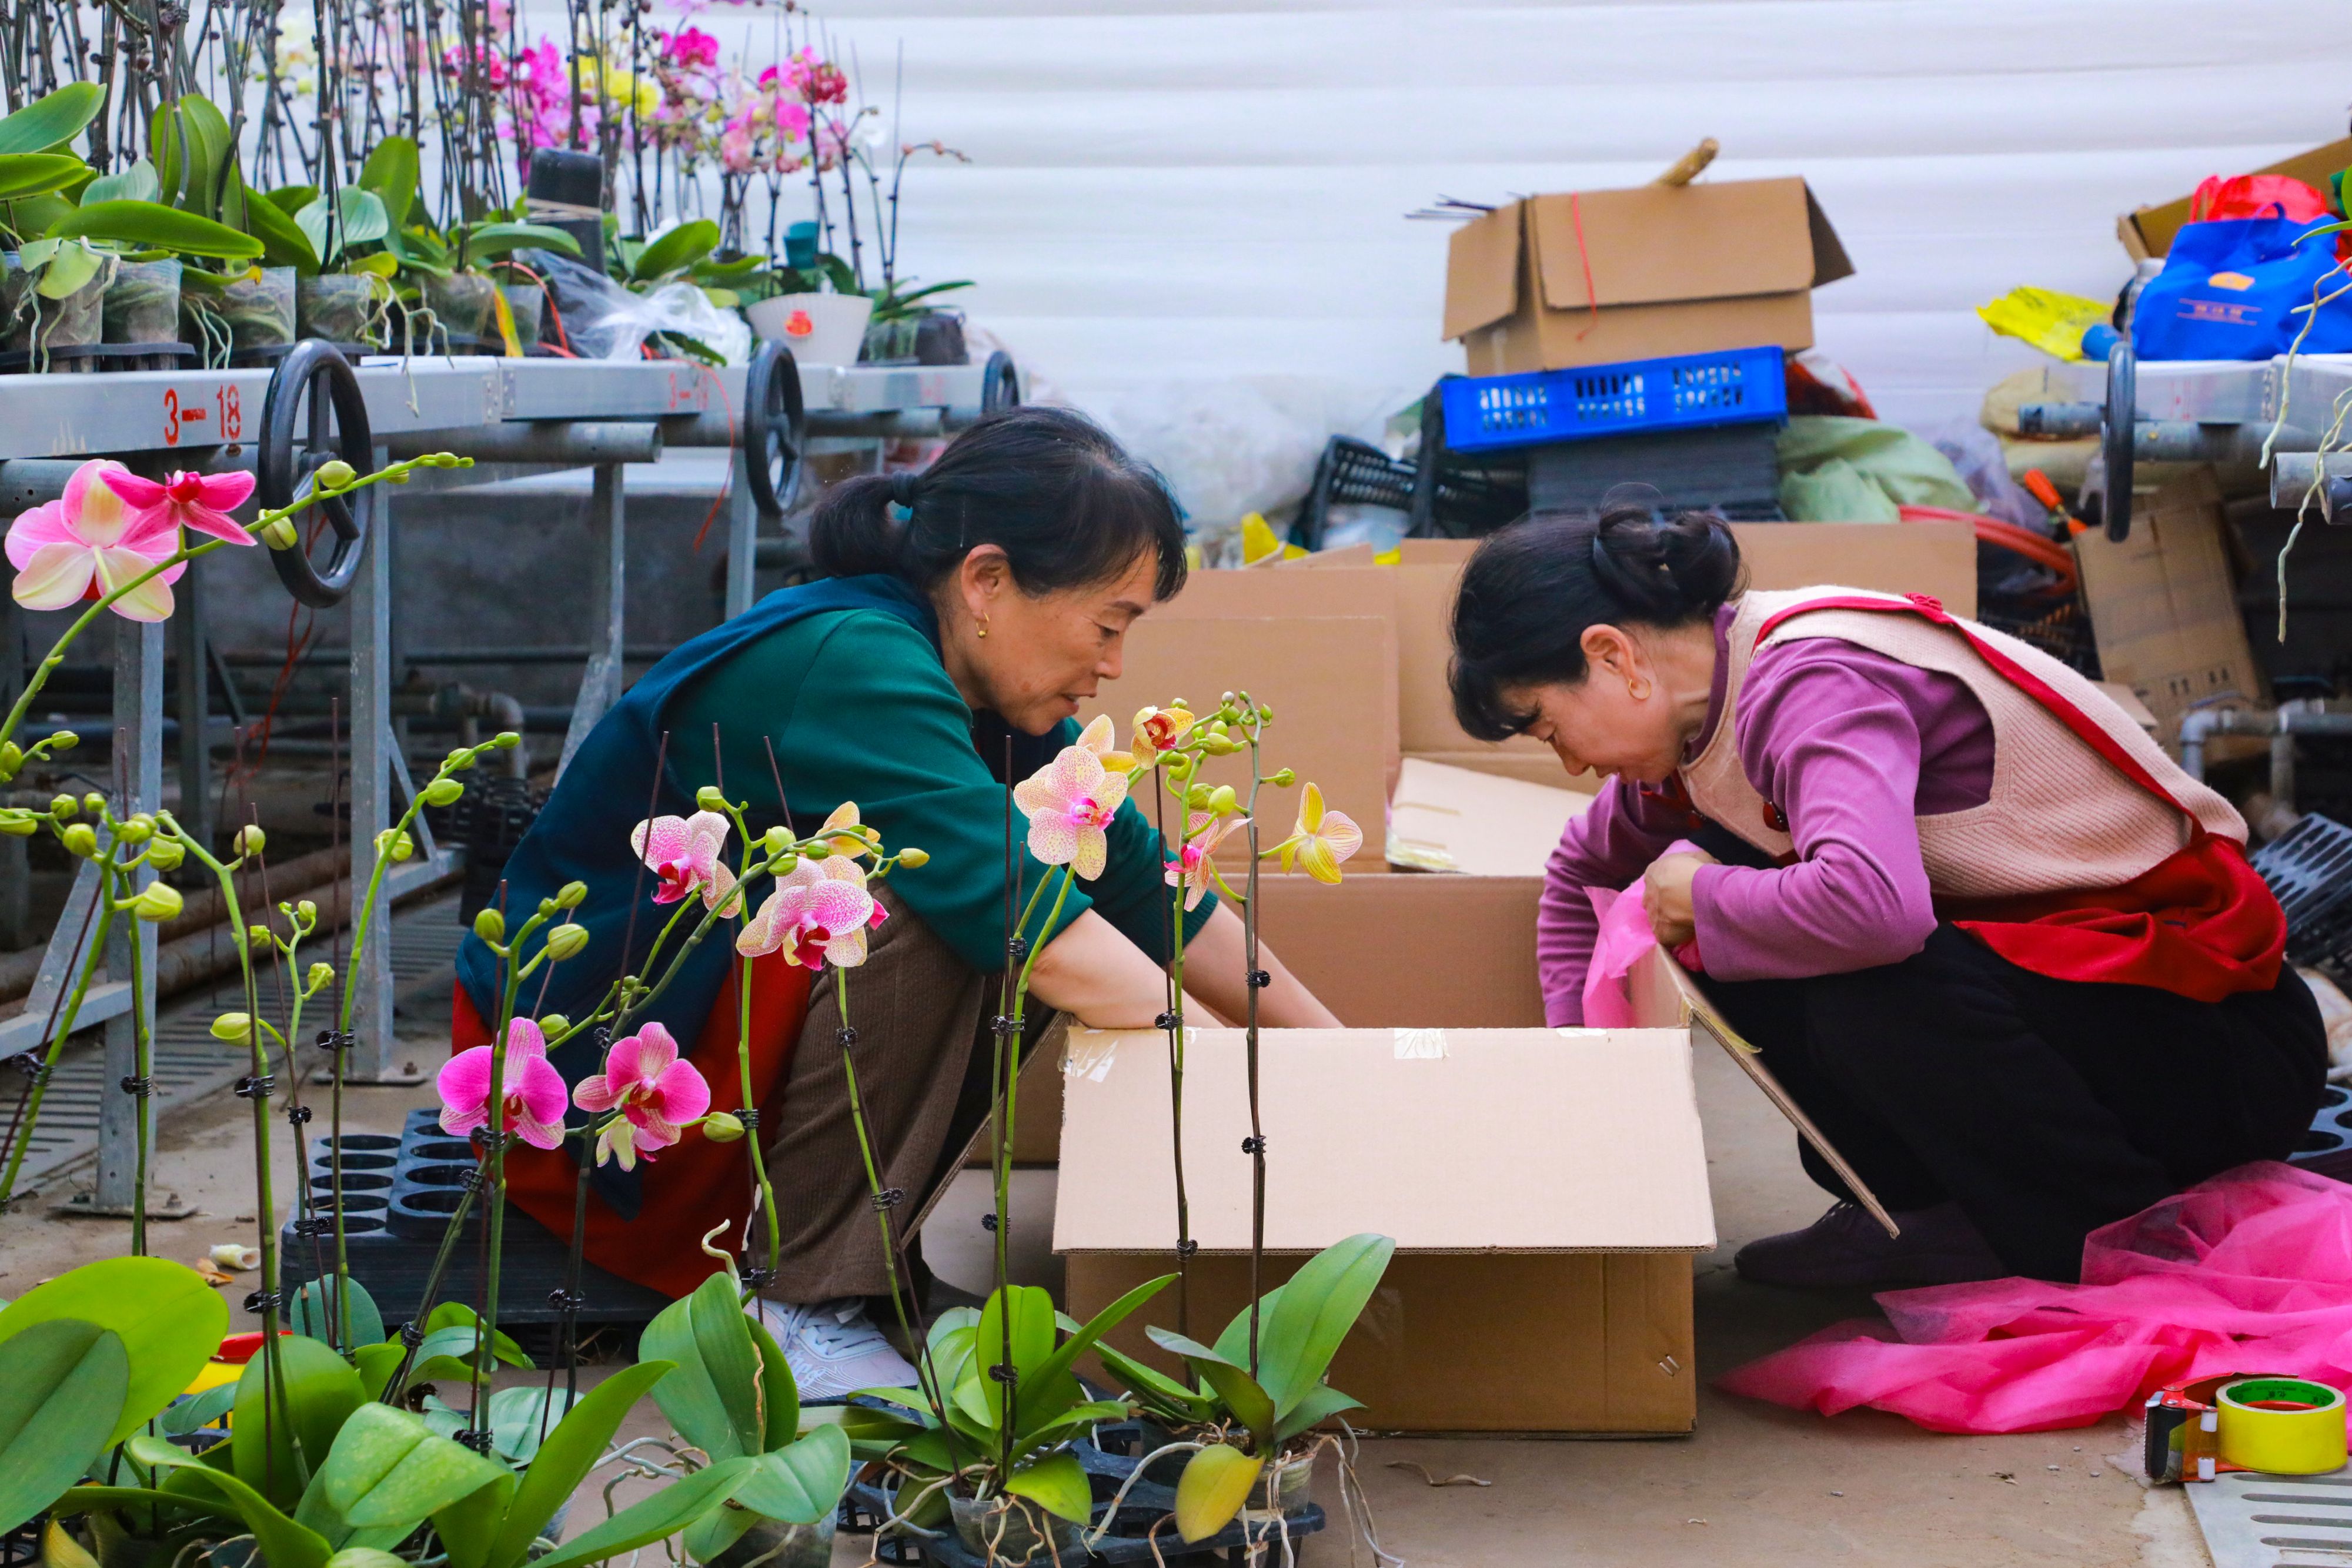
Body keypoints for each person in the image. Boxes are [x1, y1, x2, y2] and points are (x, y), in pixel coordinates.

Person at [452, 407, 1340, 1393]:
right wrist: (1238, 1093)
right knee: (948, 913)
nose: (1115, 666)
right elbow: (1043, 934)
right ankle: (794, 1298)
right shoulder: (858, 664)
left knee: (1058, 875)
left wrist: (1333, 1057)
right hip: (600, 1086)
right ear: (988, 582)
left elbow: (1140, 883)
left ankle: (864, 1275)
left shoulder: (977, 679)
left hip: (706, 1032)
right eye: (1108, 624)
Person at [1446, 506, 2324, 1288]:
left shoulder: (1809, 680)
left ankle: (2097, 1234)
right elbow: (1579, 876)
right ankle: (1930, 1215)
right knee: (1703, 894)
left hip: (2218, 1046)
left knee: (1834, 959)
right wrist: (1582, 1065)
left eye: (1550, 727)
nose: (1570, 764)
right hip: (2098, 1013)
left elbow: (1877, 911)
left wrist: (1707, 899)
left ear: (1613, 656)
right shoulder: (1687, 729)